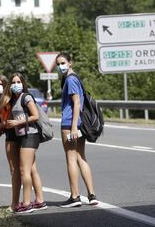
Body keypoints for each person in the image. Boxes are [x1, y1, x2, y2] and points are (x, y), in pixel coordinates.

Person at [0, 75, 47, 213]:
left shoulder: (26, 97)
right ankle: (37, 201)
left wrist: (17, 122)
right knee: (28, 170)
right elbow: (8, 117)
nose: (16, 84)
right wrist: (2, 125)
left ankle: (26, 203)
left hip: (30, 134)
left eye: (18, 82)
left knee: (24, 170)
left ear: (23, 83)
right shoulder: (14, 99)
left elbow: (35, 116)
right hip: (21, 135)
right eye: (13, 82)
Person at [56, 53, 98, 207]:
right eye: (58, 64)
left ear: (70, 63)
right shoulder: (75, 78)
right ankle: (91, 195)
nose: (60, 66)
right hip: (79, 124)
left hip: (70, 124)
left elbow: (76, 103)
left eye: (63, 63)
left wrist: (73, 127)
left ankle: (75, 197)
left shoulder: (71, 79)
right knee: (81, 157)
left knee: (71, 158)